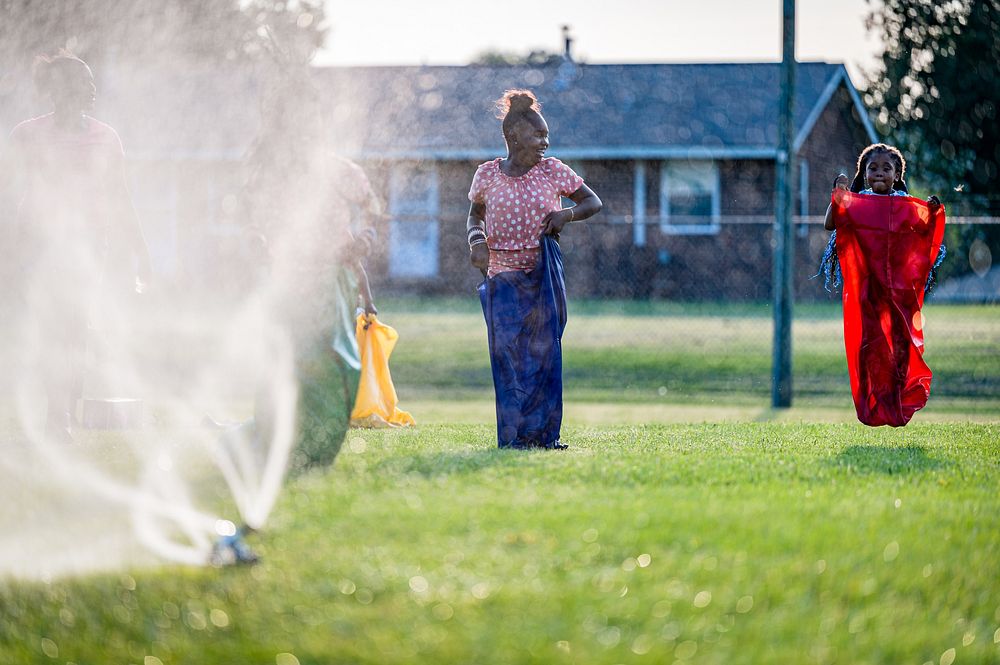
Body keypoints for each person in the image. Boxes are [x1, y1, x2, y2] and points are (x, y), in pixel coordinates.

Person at [6, 51, 150, 441]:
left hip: (87, 248)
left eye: (92, 82)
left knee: (75, 329)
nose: (92, 89)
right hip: (37, 245)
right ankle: (58, 414)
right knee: (53, 328)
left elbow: (121, 198)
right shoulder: (26, 135)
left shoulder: (106, 137)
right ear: (61, 90)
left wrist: (140, 251)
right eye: (84, 82)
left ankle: (63, 413)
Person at [467, 89, 602, 450]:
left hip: (542, 275)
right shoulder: (488, 174)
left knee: (543, 356)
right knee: (509, 358)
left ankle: (544, 437)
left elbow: (593, 201)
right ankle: (514, 437)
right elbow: (475, 213)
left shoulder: (553, 170)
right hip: (501, 278)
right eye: (537, 135)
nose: (545, 141)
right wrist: (476, 240)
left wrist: (566, 214)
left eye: (546, 135)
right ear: (513, 136)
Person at [818, 143, 946, 427]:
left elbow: (924, 229)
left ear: (897, 173)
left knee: (902, 344)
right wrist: (839, 196)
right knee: (870, 345)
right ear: (863, 173)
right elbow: (830, 224)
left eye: (886, 168)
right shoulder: (857, 201)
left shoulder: (904, 202)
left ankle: (898, 397)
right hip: (869, 290)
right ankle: (871, 398)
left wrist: (933, 211)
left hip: (899, 292)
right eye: (872, 168)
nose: (879, 174)